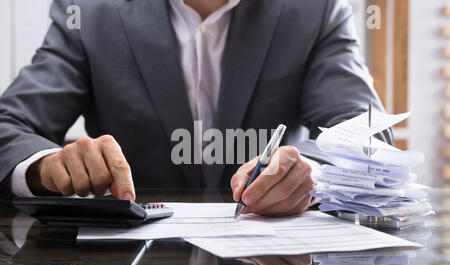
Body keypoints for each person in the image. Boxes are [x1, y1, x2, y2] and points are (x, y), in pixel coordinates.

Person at [0, 0, 392, 216]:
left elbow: (368, 132)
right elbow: (9, 125)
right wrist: (44, 165)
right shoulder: (89, 11)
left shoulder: (316, 10)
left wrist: (313, 174)